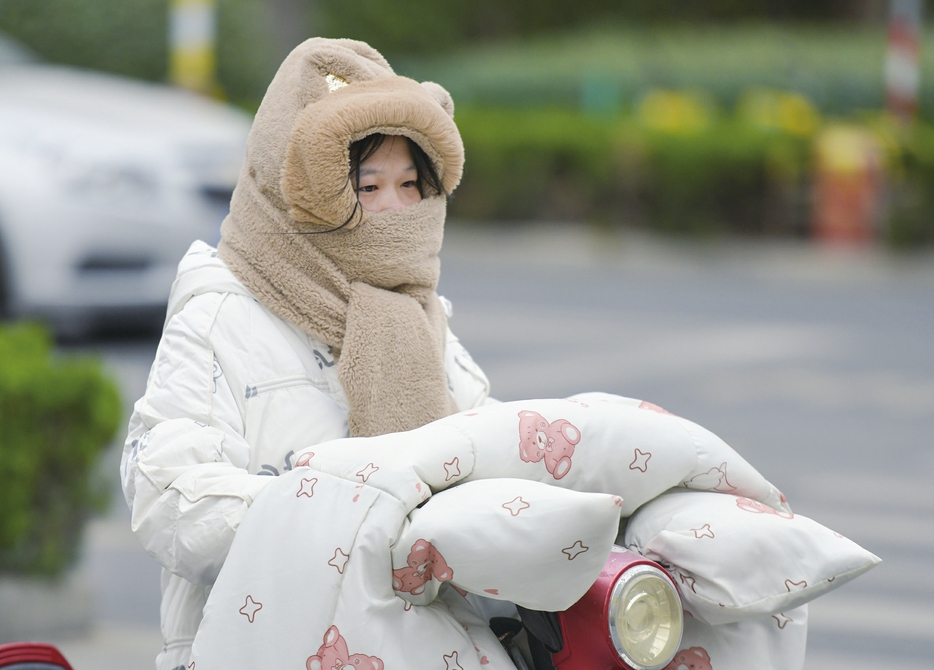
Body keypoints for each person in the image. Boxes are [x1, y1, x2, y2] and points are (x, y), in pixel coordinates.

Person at [120, 37, 491, 670]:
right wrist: (347, 524)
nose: (395, 208)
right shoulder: (222, 313)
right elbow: (168, 494)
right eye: (368, 186)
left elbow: (485, 446)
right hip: (261, 646)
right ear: (301, 189)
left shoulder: (419, 313)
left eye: (410, 183)